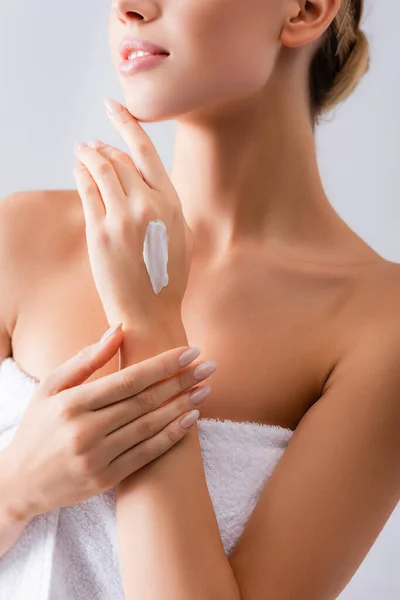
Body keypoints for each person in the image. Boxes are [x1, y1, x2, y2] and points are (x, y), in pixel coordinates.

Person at [0, 0, 399, 598]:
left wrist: (149, 321)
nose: (129, 8)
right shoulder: (20, 235)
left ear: (307, 10)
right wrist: (16, 489)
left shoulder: (380, 323)